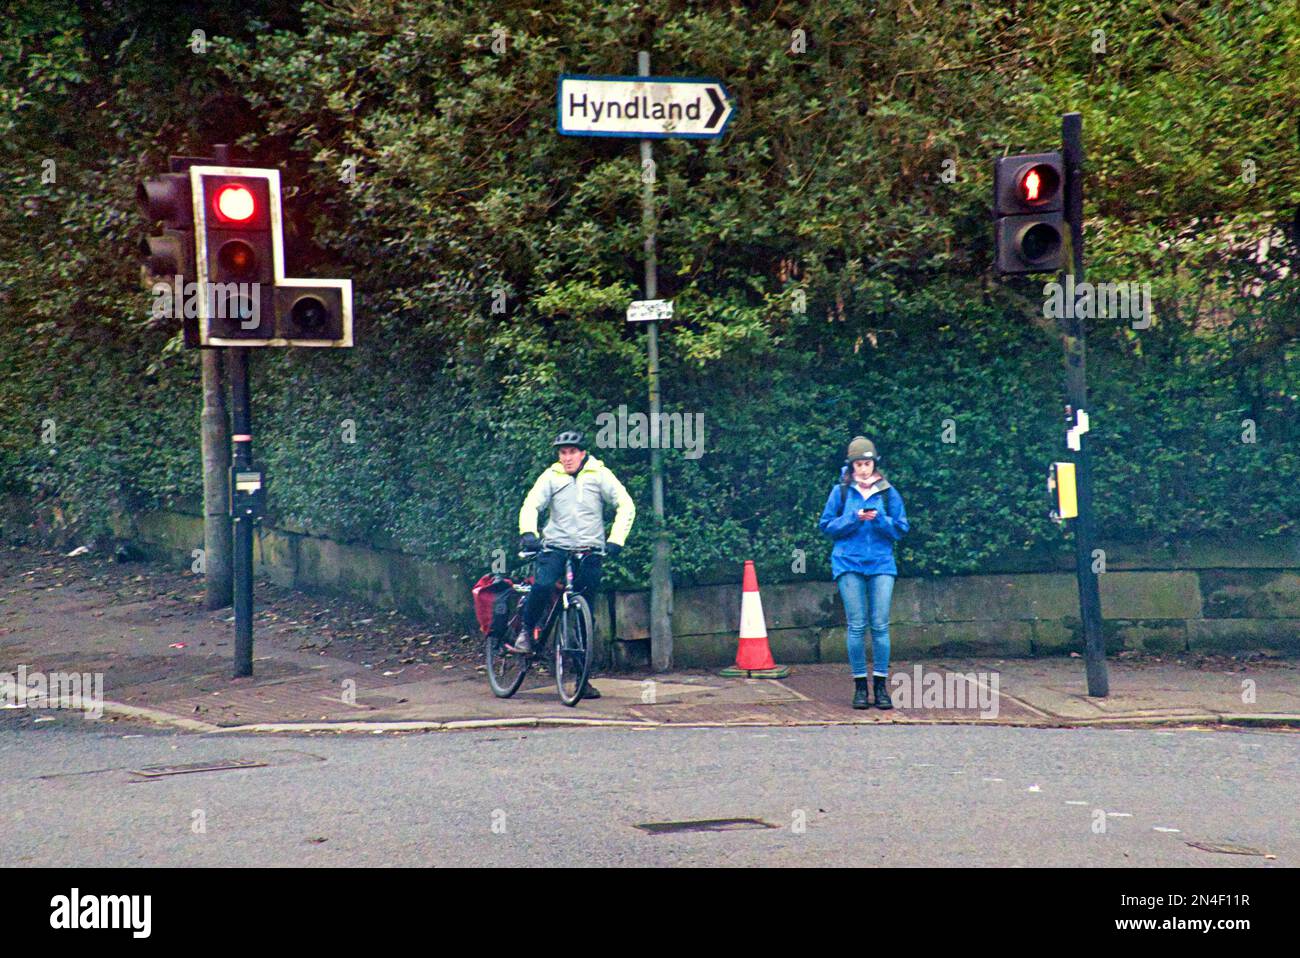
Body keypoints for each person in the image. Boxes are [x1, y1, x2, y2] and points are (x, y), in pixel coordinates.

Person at [512, 429, 635, 700]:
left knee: (584, 614)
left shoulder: (599, 474)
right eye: (562, 453)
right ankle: (526, 632)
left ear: (582, 453)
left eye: (571, 452)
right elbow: (531, 505)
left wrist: (616, 540)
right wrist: (529, 533)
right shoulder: (551, 476)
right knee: (543, 585)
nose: (566, 458)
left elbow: (625, 505)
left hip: (589, 550)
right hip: (555, 547)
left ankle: (583, 680)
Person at [818, 436, 910, 710]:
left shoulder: (888, 492)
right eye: (858, 464)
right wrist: (853, 518)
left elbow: (901, 528)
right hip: (848, 562)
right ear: (851, 466)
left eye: (867, 463)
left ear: (874, 464)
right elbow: (826, 526)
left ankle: (881, 686)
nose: (863, 469)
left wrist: (879, 519)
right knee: (857, 626)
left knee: (880, 625)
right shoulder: (841, 492)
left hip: (881, 563)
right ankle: (860, 686)